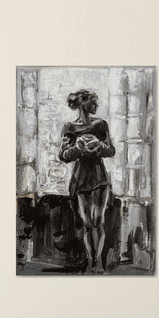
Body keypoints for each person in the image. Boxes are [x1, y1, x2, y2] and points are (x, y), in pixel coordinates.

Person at [58, 90, 115, 274]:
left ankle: (97, 262)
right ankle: (91, 260)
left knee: (99, 221)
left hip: (99, 178)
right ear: (84, 105)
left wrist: (99, 146)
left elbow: (111, 150)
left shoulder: (101, 125)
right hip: (81, 179)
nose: (97, 106)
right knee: (88, 224)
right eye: (93, 103)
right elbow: (63, 155)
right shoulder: (70, 127)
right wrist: (77, 147)